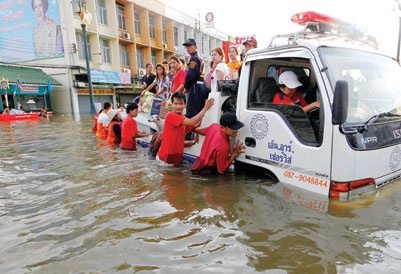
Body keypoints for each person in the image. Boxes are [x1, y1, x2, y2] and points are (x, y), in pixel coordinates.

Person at [156, 92, 214, 167]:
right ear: (172, 104)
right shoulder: (171, 115)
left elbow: (195, 125)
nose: (178, 106)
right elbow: (192, 122)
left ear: (185, 105)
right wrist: (205, 108)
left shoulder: (183, 119)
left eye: (181, 104)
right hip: (165, 160)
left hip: (174, 160)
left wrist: (194, 141)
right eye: (176, 104)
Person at [183, 38, 208, 118]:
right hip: (200, 86)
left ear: (196, 47)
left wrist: (186, 86)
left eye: (190, 46)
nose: (188, 48)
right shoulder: (199, 58)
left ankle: (191, 130)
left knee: (192, 114)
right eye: (186, 46)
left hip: (194, 88)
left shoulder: (194, 58)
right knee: (199, 113)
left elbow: (190, 76)